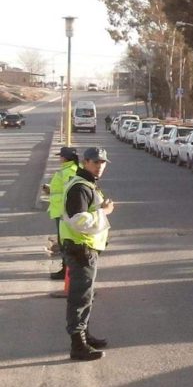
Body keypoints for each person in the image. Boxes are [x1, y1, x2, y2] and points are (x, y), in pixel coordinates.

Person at [60, 147, 114, 361]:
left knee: (86, 296)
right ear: (85, 162)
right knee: (80, 297)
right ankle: (78, 345)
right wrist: (105, 212)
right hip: (80, 248)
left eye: (103, 162)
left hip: (84, 247)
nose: (100, 166)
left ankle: (85, 335)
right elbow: (79, 221)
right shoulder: (80, 187)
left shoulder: (88, 183)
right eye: (96, 162)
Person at [43, 147, 79, 280]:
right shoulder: (70, 169)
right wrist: (50, 189)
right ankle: (66, 269)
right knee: (64, 241)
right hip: (61, 211)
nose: (59, 158)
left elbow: (71, 191)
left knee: (65, 241)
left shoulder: (69, 171)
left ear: (65, 158)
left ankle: (66, 270)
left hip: (63, 212)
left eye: (61, 156)